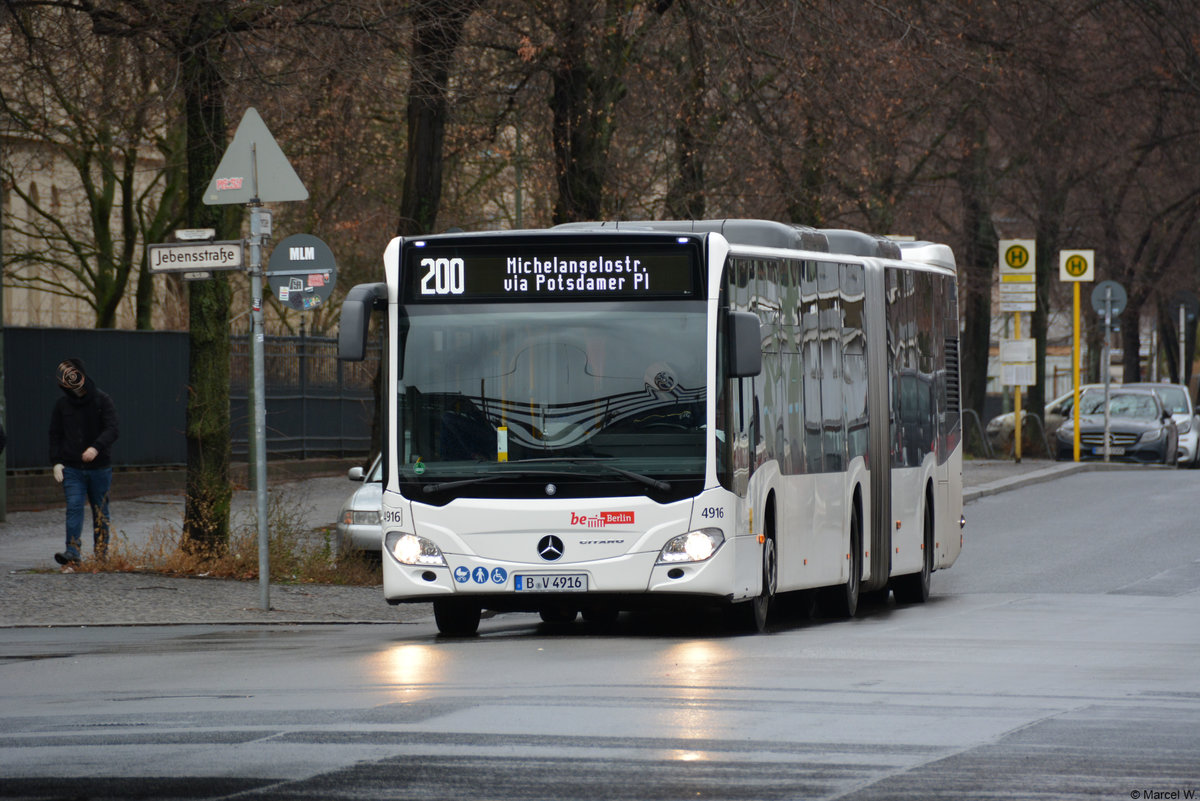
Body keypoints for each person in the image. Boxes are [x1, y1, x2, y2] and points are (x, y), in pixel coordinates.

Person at [48, 358, 119, 565]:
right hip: (72, 468)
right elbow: (55, 434)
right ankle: (72, 552)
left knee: (100, 511)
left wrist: (96, 447)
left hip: (100, 467)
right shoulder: (61, 405)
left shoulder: (102, 400)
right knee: (74, 507)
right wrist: (56, 462)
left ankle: (101, 555)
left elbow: (113, 429)